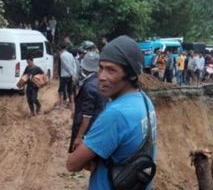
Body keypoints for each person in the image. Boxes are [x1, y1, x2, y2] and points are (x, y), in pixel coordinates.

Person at [66, 35, 157, 189]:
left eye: (111, 70)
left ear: (132, 75)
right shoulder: (144, 101)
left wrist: (86, 149)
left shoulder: (116, 114)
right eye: (101, 67)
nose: (101, 77)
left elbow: (72, 164)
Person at [68, 51, 108, 153]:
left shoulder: (89, 86)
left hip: (89, 128)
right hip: (99, 122)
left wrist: (79, 136)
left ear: (85, 67)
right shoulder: (100, 80)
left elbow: (87, 116)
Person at [57, 43, 78, 108]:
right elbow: (74, 64)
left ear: (60, 49)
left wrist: (72, 74)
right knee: (70, 90)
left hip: (64, 75)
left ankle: (61, 105)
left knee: (61, 90)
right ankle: (72, 104)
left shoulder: (62, 55)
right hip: (71, 76)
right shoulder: (70, 54)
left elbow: (66, 66)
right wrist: (74, 74)